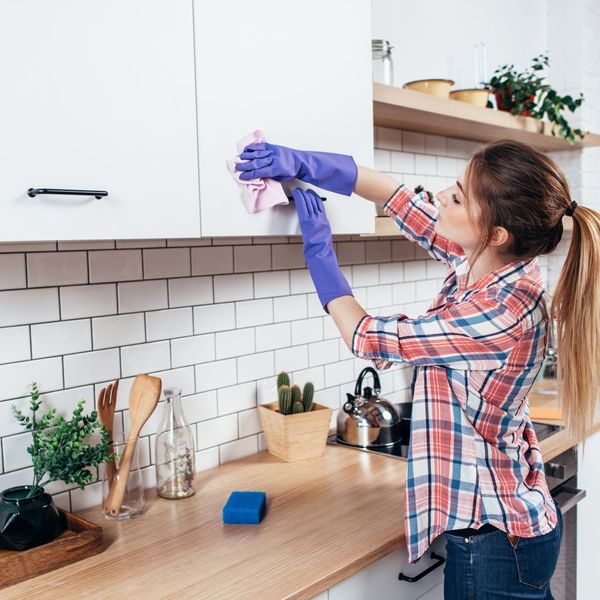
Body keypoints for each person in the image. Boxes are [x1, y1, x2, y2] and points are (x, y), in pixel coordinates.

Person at [235, 139, 600, 598]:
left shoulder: (498, 313)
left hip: (494, 545)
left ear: (496, 232)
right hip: (505, 529)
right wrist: (305, 161)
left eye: (458, 196)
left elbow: (366, 335)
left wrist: (319, 255)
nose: (443, 195)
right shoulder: (491, 263)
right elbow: (399, 199)